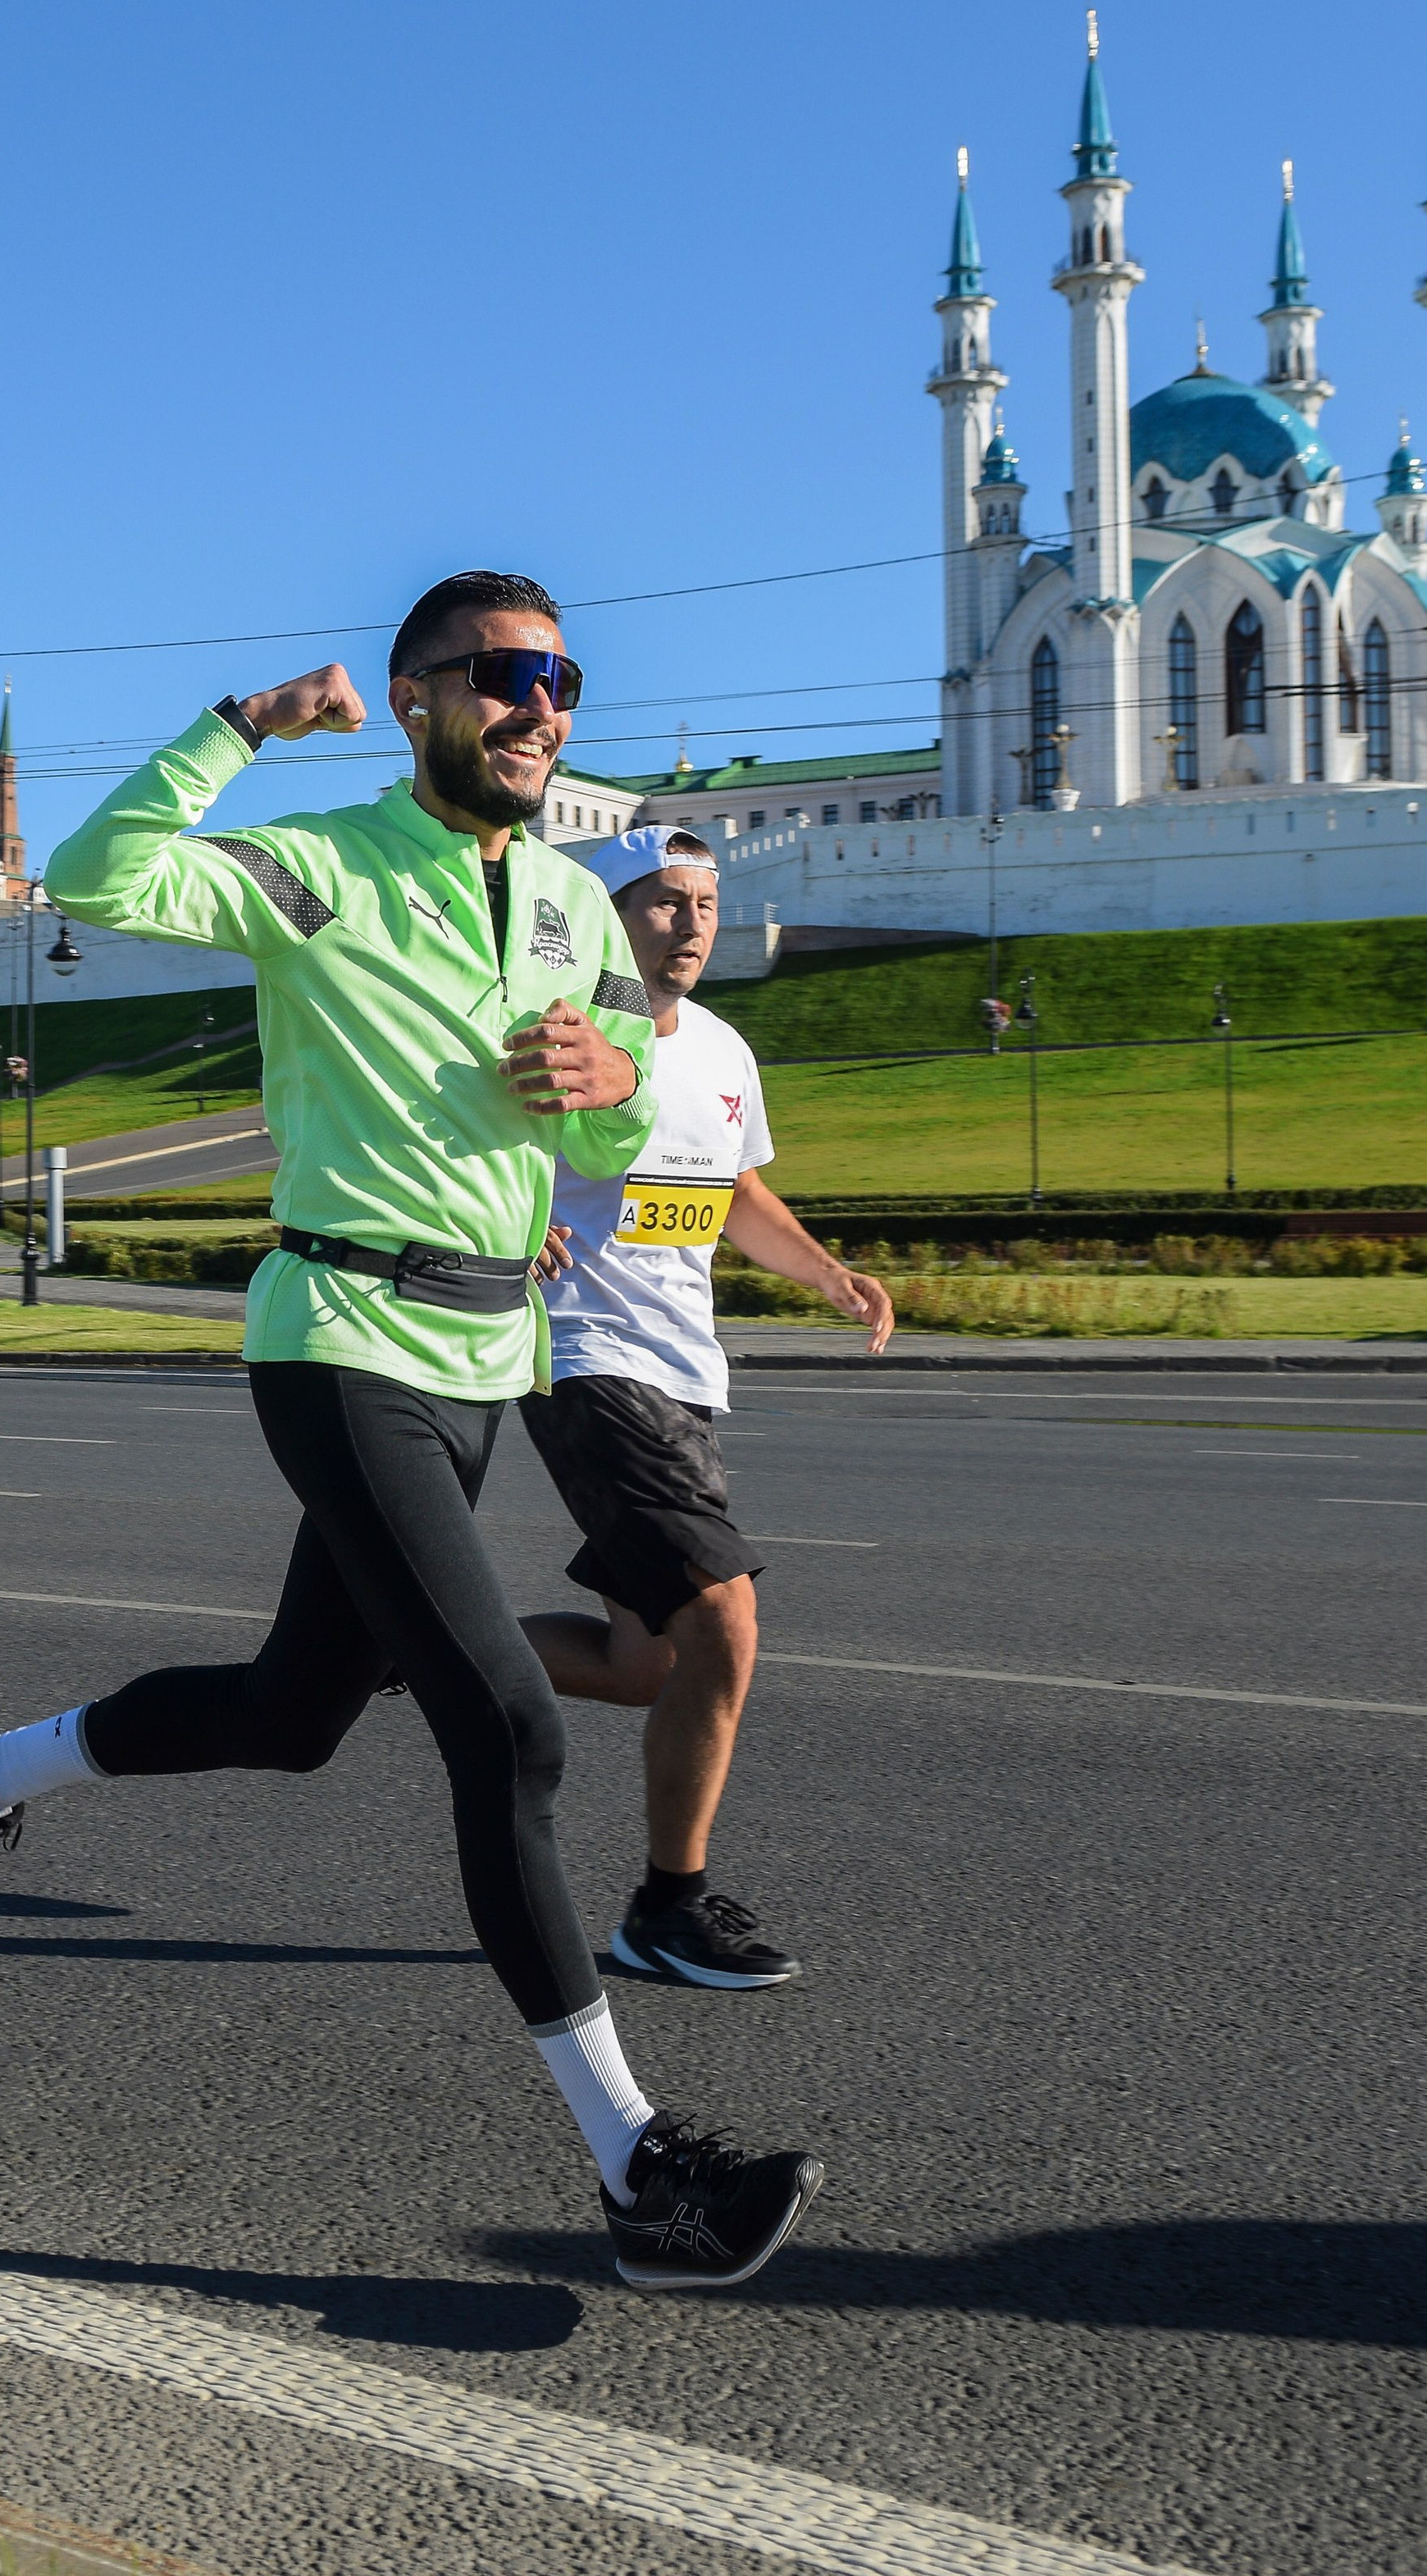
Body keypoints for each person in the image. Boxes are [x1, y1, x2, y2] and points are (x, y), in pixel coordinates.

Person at [0, 572, 824, 2291]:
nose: (539, 706)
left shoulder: (562, 898)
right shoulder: (324, 866)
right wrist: (247, 724)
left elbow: (627, 1059)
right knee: (514, 1737)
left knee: (292, 1712)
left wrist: (593, 1074)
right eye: (503, 677)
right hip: (337, 1335)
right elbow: (93, 876)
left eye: (562, 678)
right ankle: (640, 2177)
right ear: (415, 699)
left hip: (489, 1345)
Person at [518, 825, 894, 1991]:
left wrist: (828, 1274)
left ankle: (398, 1639)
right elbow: (469, 1147)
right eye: (667, 904)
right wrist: (509, 1224)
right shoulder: (560, 1032)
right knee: (722, 1621)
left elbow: (730, 1190)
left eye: (708, 904)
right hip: (581, 1357)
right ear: (609, 916)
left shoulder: (725, 1048)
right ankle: (665, 1911)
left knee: (645, 1667)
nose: (692, 925)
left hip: (686, 1372)